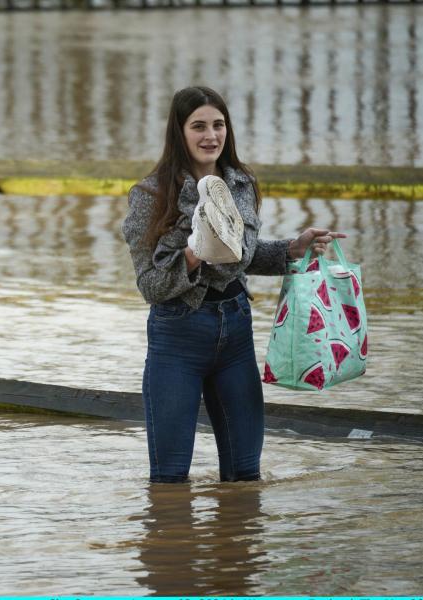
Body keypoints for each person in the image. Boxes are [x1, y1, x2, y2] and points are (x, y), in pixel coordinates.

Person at [121, 86, 345, 483]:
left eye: (219, 125)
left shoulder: (241, 183)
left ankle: (235, 543)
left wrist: (293, 249)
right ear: (179, 131)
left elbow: (241, 255)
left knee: (245, 477)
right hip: (177, 336)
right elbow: (150, 286)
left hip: (235, 332)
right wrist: (193, 253)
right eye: (199, 126)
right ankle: (171, 546)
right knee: (170, 480)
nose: (211, 136)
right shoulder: (149, 195)